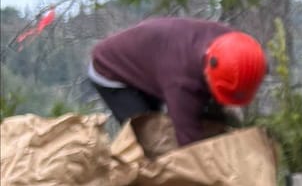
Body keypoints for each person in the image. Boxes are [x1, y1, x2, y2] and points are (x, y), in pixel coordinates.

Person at [88, 17, 267, 151]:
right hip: (113, 72)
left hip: (155, 62)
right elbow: (190, 147)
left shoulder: (241, 49)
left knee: (217, 123)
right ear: (206, 74)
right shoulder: (182, 84)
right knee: (154, 142)